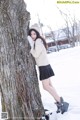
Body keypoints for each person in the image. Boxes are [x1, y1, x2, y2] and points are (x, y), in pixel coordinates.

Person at [27, 23, 69, 114]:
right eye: (31, 34)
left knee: (46, 86)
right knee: (50, 86)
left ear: (37, 33)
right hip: (46, 65)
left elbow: (35, 54)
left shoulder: (38, 41)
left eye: (34, 34)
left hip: (43, 66)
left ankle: (62, 103)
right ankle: (59, 103)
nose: (32, 36)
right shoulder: (41, 40)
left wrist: (31, 47)